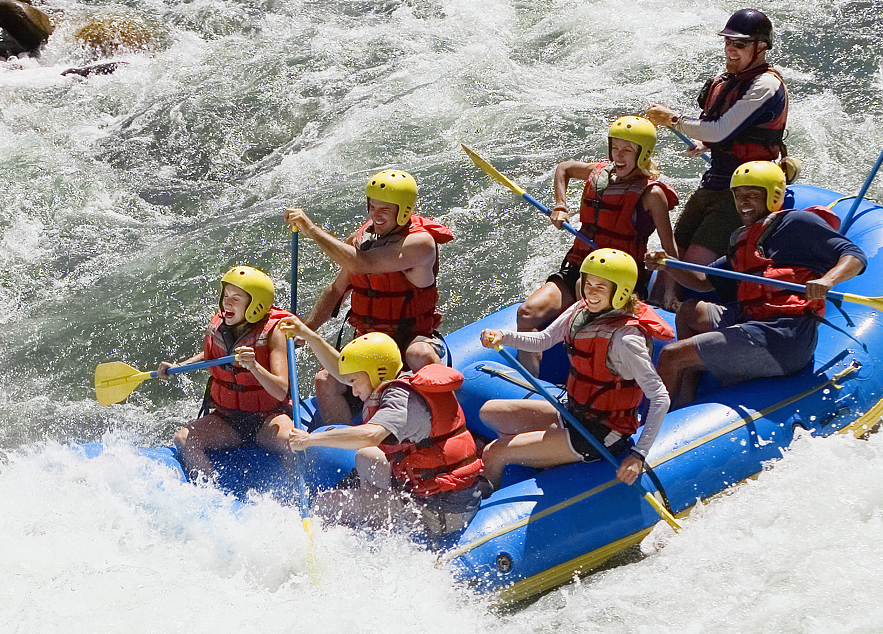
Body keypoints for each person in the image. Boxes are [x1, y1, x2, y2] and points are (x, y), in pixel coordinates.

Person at [648, 162, 866, 406]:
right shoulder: (743, 238)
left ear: (772, 196)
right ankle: (684, 399)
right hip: (753, 321)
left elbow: (854, 256)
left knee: (670, 355)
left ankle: (654, 426)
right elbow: (702, 282)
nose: (743, 203)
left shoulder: (798, 223)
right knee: (689, 312)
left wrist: (828, 280)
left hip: (784, 336)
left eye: (752, 195)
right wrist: (668, 265)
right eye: (739, 196)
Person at [477, 249, 672, 488]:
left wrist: (638, 455)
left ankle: (479, 500)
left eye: (600, 286)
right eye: (588, 283)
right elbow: (544, 340)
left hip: (603, 434)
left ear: (620, 290)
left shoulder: (626, 339)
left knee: (493, 453)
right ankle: (541, 456)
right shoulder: (582, 310)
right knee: (490, 412)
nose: (590, 291)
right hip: (575, 414)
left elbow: (660, 397)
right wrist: (502, 336)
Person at [284, 325, 490, 538]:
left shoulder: (400, 400)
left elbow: (370, 435)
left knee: (326, 503)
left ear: (376, 373)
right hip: (437, 491)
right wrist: (310, 336)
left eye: (355, 381)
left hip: (441, 509)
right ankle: (375, 512)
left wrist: (310, 439)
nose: (353, 390)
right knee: (366, 456)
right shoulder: (401, 380)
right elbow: (342, 374)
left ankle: (374, 528)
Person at [284, 169, 452, 421]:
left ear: (404, 210)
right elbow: (336, 290)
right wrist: (306, 330)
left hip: (412, 337)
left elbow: (362, 264)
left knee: (420, 355)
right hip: (370, 342)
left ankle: (447, 423)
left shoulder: (420, 244)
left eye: (385, 209)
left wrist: (310, 229)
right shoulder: (363, 238)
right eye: (372, 207)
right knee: (325, 380)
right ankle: (341, 447)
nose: (376, 215)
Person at [645, 8, 791, 270]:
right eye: (727, 42)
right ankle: (662, 301)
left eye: (740, 44)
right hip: (716, 179)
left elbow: (720, 129)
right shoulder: (724, 81)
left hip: (747, 187)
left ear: (760, 47)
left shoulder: (766, 85)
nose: (730, 49)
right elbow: (721, 131)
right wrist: (708, 144)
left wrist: (672, 119)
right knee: (671, 253)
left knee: (692, 263)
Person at [518, 115, 680, 338]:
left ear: (644, 153)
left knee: (595, 331)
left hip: (620, 280)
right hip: (581, 267)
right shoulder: (600, 172)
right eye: (615, 148)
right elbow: (563, 168)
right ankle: (530, 374)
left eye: (628, 150)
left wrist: (670, 294)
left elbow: (669, 250)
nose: (618, 156)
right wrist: (560, 206)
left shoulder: (652, 194)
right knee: (526, 313)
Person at [161, 264, 295, 479]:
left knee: (294, 443)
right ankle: (210, 494)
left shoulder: (275, 332)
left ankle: (297, 496)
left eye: (236, 298)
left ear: (255, 304)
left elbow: (280, 390)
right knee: (184, 439)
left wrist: (254, 366)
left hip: (268, 417)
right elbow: (213, 355)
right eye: (226, 296)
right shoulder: (220, 325)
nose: (227, 303)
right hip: (228, 419)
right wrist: (180, 366)